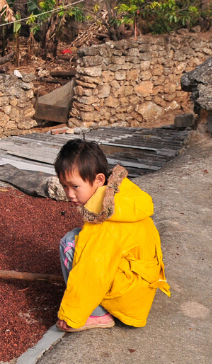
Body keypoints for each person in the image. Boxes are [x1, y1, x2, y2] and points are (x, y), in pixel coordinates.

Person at [55, 139, 170, 332]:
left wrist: (72, 316)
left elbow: (91, 273)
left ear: (99, 180)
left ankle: (97, 314)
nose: (69, 194)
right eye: (65, 186)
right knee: (80, 236)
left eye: (75, 186)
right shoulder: (121, 196)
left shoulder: (105, 225)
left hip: (129, 297)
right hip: (140, 285)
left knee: (69, 244)